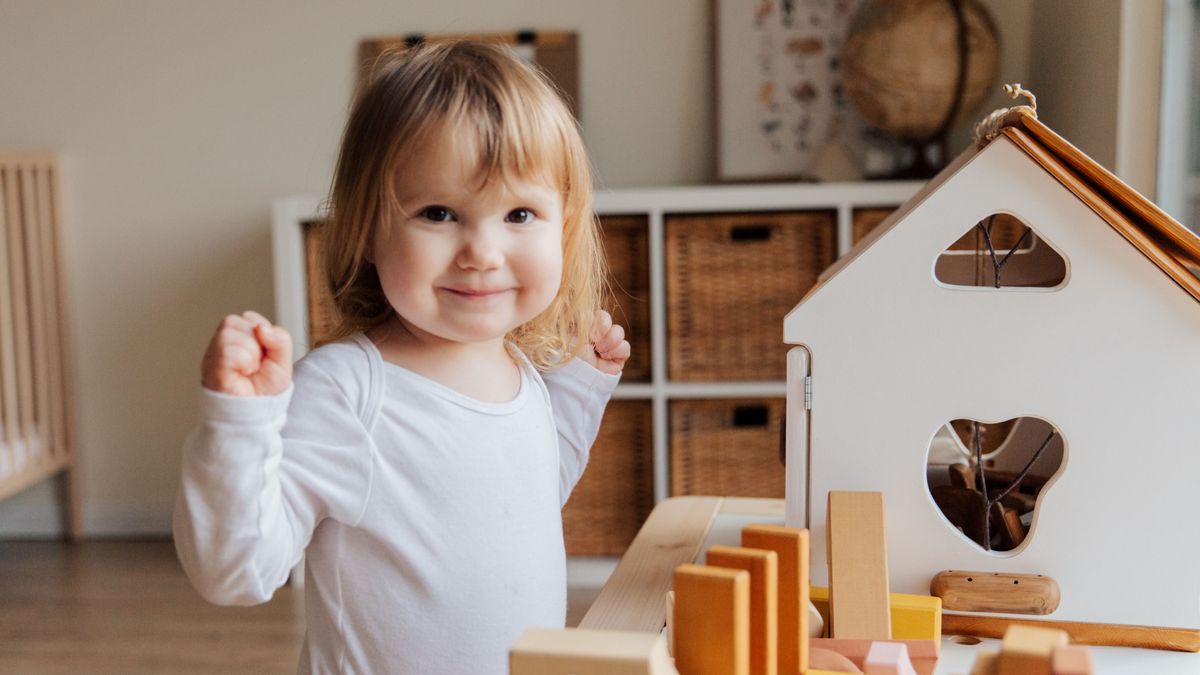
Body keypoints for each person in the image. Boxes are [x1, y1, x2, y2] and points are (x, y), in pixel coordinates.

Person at [173, 41, 630, 674]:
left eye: (519, 213)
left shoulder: (519, 374)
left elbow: (527, 502)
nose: (483, 251)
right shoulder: (347, 393)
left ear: (565, 227)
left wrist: (578, 391)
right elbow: (236, 572)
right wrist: (237, 426)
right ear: (366, 226)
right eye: (439, 213)